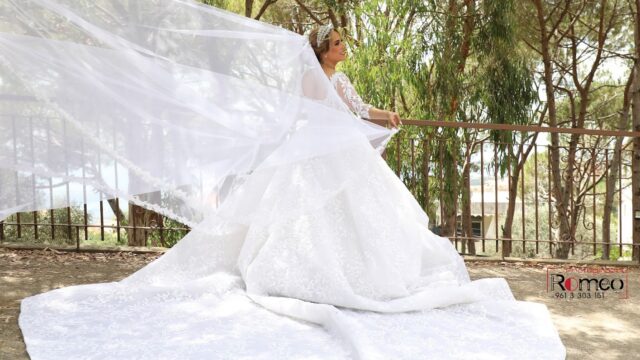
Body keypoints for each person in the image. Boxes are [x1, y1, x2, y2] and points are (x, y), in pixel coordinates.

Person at [5, 2, 565, 358]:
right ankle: (305, 278)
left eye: (344, 43)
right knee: (309, 222)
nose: (345, 49)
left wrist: (384, 116)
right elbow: (308, 121)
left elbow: (359, 107)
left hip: (344, 159)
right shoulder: (310, 82)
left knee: (367, 222)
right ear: (323, 50)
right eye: (339, 44)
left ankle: (363, 278)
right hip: (314, 163)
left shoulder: (341, 83)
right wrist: (347, 125)